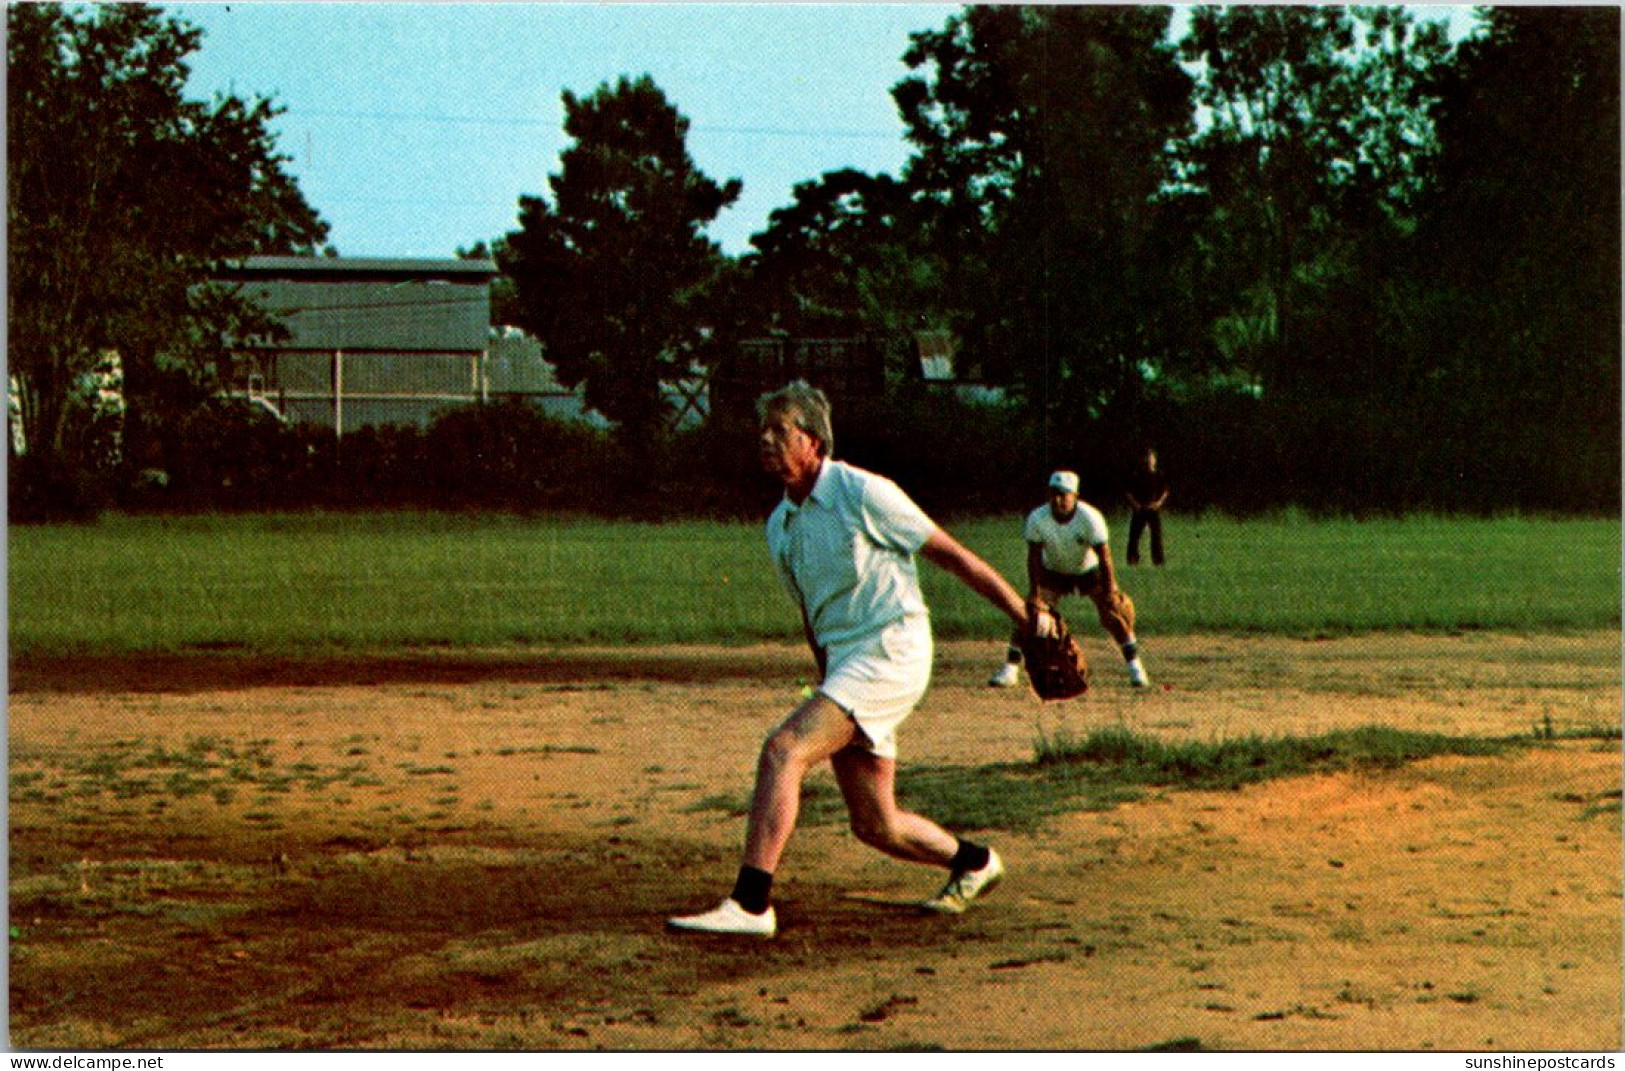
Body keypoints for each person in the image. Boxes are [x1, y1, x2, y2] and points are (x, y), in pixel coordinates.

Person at [668, 380, 1033, 937]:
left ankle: (750, 904)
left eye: (780, 430)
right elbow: (814, 622)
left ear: (813, 441)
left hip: (893, 648)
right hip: (849, 664)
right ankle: (975, 862)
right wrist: (828, 686)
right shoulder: (780, 525)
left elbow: (952, 555)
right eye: (762, 430)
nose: (765, 440)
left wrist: (1025, 619)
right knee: (875, 822)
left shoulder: (863, 492)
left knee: (783, 750)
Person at [988, 470, 1150, 690]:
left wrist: (1110, 589)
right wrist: (1034, 593)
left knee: (1115, 614)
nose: (1058, 499)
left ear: (1075, 495)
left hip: (1087, 570)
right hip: (1052, 570)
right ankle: (1010, 669)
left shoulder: (1090, 517)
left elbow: (1105, 556)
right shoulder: (1037, 518)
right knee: (1029, 614)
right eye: (1054, 494)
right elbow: (1034, 558)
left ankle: (1136, 669)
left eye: (1064, 494)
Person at [1126, 446, 1169, 566]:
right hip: (1139, 509)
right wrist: (1136, 505)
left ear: (1155, 460)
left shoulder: (1159, 475)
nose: (1149, 460)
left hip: (1153, 509)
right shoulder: (1137, 475)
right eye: (1147, 457)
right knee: (1134, 536)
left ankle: (1158, 561)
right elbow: (1128, 492)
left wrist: (1158, 503)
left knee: (1156, 536)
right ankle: (1133, 560)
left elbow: (1165, 491)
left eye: (1151, 458)